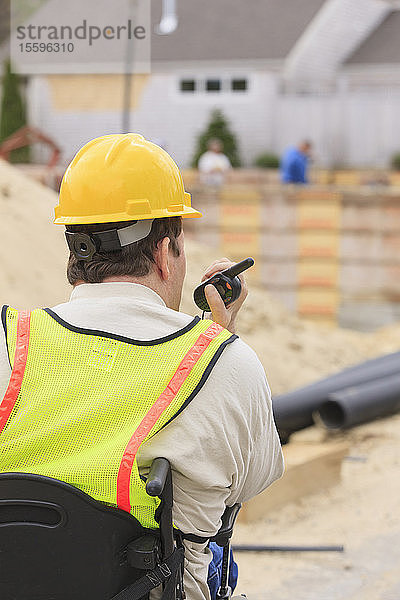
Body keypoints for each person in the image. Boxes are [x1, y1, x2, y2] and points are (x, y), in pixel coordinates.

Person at [0, 134, 283, 600]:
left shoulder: (12, 344)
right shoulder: (223, 364)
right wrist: (220, 340)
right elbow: (253, 480)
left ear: (76, 250)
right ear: (163, 251)